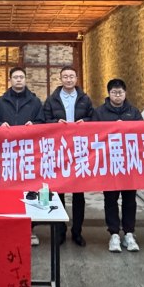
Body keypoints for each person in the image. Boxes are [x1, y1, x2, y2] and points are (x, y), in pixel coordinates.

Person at [0, 67, 45, 245]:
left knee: (30, 190)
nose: (19, 80)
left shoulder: (35, 101)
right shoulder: (1, 101)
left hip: (28, 152)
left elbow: (43, 122)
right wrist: (0, 125)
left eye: (21, 77)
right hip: (7, 152)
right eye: (15, 77)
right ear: (10, 80)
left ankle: (30, 228)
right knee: (8, 189)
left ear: (25, 79)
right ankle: (9, 224)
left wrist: (34, 125)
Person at [42, 66, 93, 246]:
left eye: (72, 76)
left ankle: (77, 231)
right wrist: (56, 122)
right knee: (59, 192)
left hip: (79, 151)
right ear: (61, 79)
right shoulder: (52, 100)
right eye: (65, 76)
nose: (69, 79)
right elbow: (44, 120)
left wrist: (85, 122)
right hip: (59, 150)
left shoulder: (85, 99)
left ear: (76, 78)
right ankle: (60, 231)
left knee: (79, 194)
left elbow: (94, 118)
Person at [92, 78, 143, 253]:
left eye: (120, 92)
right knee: (110, 199)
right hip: (109, 162)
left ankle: (129, 233)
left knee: (130, 199)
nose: (117, 95)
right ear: (109, 93)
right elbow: (94, 134)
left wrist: (125, 128)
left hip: (129, 162)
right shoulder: (99, 112)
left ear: (125, 93)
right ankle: (113, 233)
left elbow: (142, 132)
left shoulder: (133, 112)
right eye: (114, 92)